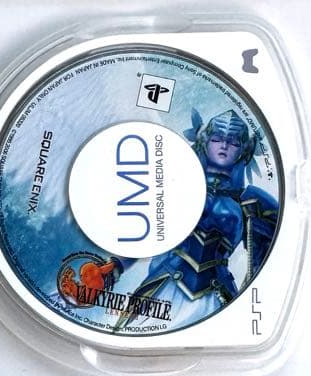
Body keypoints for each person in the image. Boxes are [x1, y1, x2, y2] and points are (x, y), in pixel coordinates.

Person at [116, 108, 279, 331]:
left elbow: (268, 264)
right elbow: (145, 235)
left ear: (244, 149)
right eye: (217, 139)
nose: (224, 146)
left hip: (216, 295)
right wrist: (113, 267)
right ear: (204, 141)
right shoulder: (175, 185)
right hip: (164, 284)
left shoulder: (252, 201)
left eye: (233, 142)